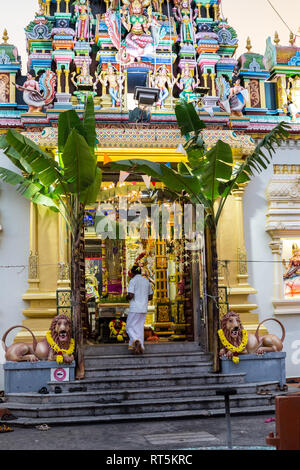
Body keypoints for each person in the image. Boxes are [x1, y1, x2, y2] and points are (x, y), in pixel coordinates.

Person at [126, 265, 153, 354]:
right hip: (143, 308)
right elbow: (150, 296)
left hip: (135, 308)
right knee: (139, 327)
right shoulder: (146, 281)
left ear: (132, 273)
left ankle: (135, 340)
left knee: (129, 327)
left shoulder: (133, 281)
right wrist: (143, 298)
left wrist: (126, 298)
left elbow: (131, 295)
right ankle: (140, 347)